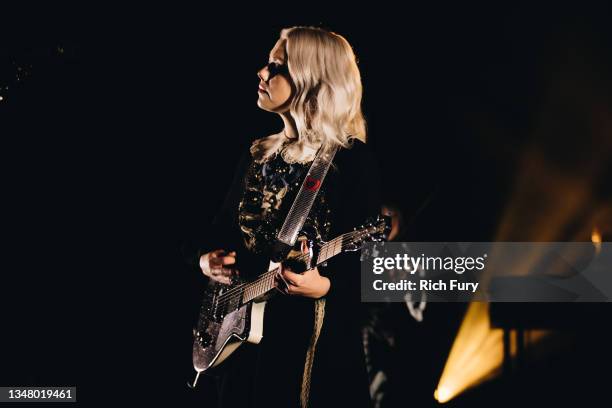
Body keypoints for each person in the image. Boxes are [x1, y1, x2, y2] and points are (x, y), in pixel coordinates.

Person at [185, 26, 382, 407]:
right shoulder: (257, 154)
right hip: (241, 347)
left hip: (308, 352)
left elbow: (371, 273)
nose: (261, 73)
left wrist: (326, 287)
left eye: (277, 66)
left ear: (312, 80)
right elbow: (217, 230)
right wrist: (205, 259)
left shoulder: (352, 163)